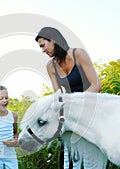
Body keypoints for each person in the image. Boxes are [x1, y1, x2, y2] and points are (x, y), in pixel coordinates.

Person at [35, 27, 107, 169]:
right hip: (71, 115)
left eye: (43, 45)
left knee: (90, 159)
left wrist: (75, 103)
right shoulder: (50, 66)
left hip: (90, 110)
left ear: (54, 40)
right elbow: (57, 94)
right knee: (68, 161)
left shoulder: (78, 54)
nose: (42, 50)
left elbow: (97, 85)